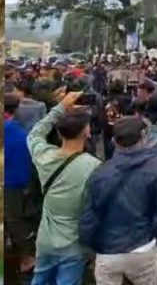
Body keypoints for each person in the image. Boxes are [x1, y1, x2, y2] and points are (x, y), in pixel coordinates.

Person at [80, 116, 157, 285]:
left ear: (114, 141)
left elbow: (89, 215)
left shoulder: (100, 173)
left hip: (107, 250)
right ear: (144, 137)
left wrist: (90, 244)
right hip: (142, 247)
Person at [27, 90, 101, 285]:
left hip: (45, 239)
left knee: (40, 279)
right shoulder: (94, 166)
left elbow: (36, 132)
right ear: (87, 132)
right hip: (73, 243)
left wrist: (60, 108)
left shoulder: (44, 156)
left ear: (58, 133)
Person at [6, 94, 37, 274]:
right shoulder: (21, 132)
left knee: (13, 219)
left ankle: (27, 255)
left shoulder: (12, 132)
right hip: (19, 184)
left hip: (12, 184)